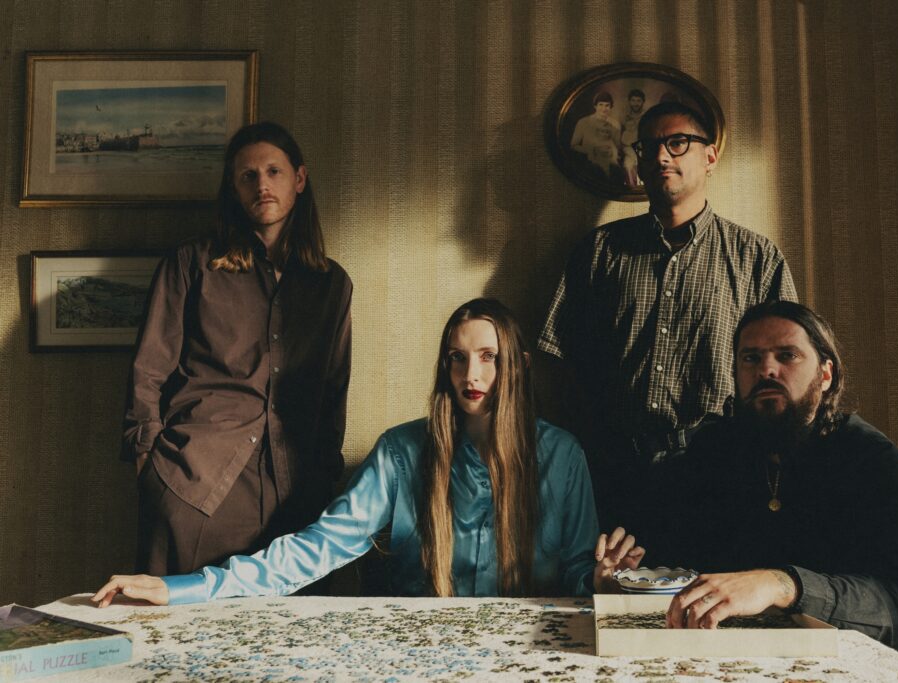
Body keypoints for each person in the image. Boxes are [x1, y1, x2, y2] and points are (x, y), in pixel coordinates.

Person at [95, 299, 609, 605]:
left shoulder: (563, 456)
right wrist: (182, 588)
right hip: (419, 655)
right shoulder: (402, 452)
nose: (470, 375)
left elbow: (577, 573)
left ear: (518, 364)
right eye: (457, 358)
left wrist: (605, 580)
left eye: (488, 357)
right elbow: (317, 547)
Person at [598, 300, 898, 663]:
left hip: (855, 665)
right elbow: (683, 563)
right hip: (739, 661)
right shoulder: (712, 453)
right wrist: (628, 580)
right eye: (751, 358)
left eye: (787, 355)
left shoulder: (872, 460)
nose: (766, 369)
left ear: (826, 375)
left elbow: (897, 605)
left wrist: (781, 584)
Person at [540, 100, 797, 532]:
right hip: (611, 474)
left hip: (721, 472)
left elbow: (785, 372)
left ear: (709, 156)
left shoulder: (756, 258)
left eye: (677, 143)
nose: (661, 156)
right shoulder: (600, 251)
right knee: (613, 577)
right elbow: (565, 370)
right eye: (649, 146)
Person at [122, 122, 353, 581]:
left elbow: (333, 388)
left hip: (296, 495)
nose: (261, 184)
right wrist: (149, 464)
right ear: (233, 188)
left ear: (299, 179)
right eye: (248, 176)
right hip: (195, 483)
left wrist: (325, 475)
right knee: (175, 619)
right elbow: (148, 370)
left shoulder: (331, 284)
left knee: (287, 625)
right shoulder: (191, 264)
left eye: (273, 171)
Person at [569, 91, 623, 177]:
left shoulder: (615, 124)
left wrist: (614, 153)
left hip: (609, 161)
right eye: (600, 105)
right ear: (595, 106)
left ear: (611, 107)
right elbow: (573, 145)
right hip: (589, 162)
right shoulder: (583, 122)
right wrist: (591, 150)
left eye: (607, 105)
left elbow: (618, 146)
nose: (604, 108)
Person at [619, 88, 646, 186]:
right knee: (627, 165)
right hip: (627, 148)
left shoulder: (646, 116)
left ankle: (643, 188)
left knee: (643, 164)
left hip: (643, 148)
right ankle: (632, 189)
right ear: (629, 101)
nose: (636, 103)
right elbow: (620, 135)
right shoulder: (624, 117)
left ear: (643, 102)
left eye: (638, 101)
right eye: (633, 100)